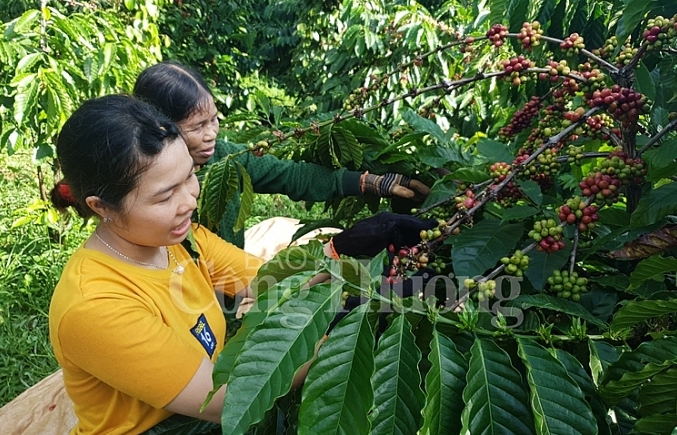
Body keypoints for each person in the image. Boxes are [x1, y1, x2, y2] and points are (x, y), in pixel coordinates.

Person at [47, 94, 437, 434]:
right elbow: (229, 399)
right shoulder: (94, 305)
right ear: (102, 207)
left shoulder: (187, 242)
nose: (190, 200)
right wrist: (359, 329)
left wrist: (342, 247)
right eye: (165, 196)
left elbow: (271, 282)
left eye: (190, 178)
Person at [132, 61, 431, 248]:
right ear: (162, 127)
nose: (212, 133)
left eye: (214, 120)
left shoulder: (226, 158)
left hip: (230, 284)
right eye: (197, 126)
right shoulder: (146, 186)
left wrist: (372, 182)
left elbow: (292, 176)